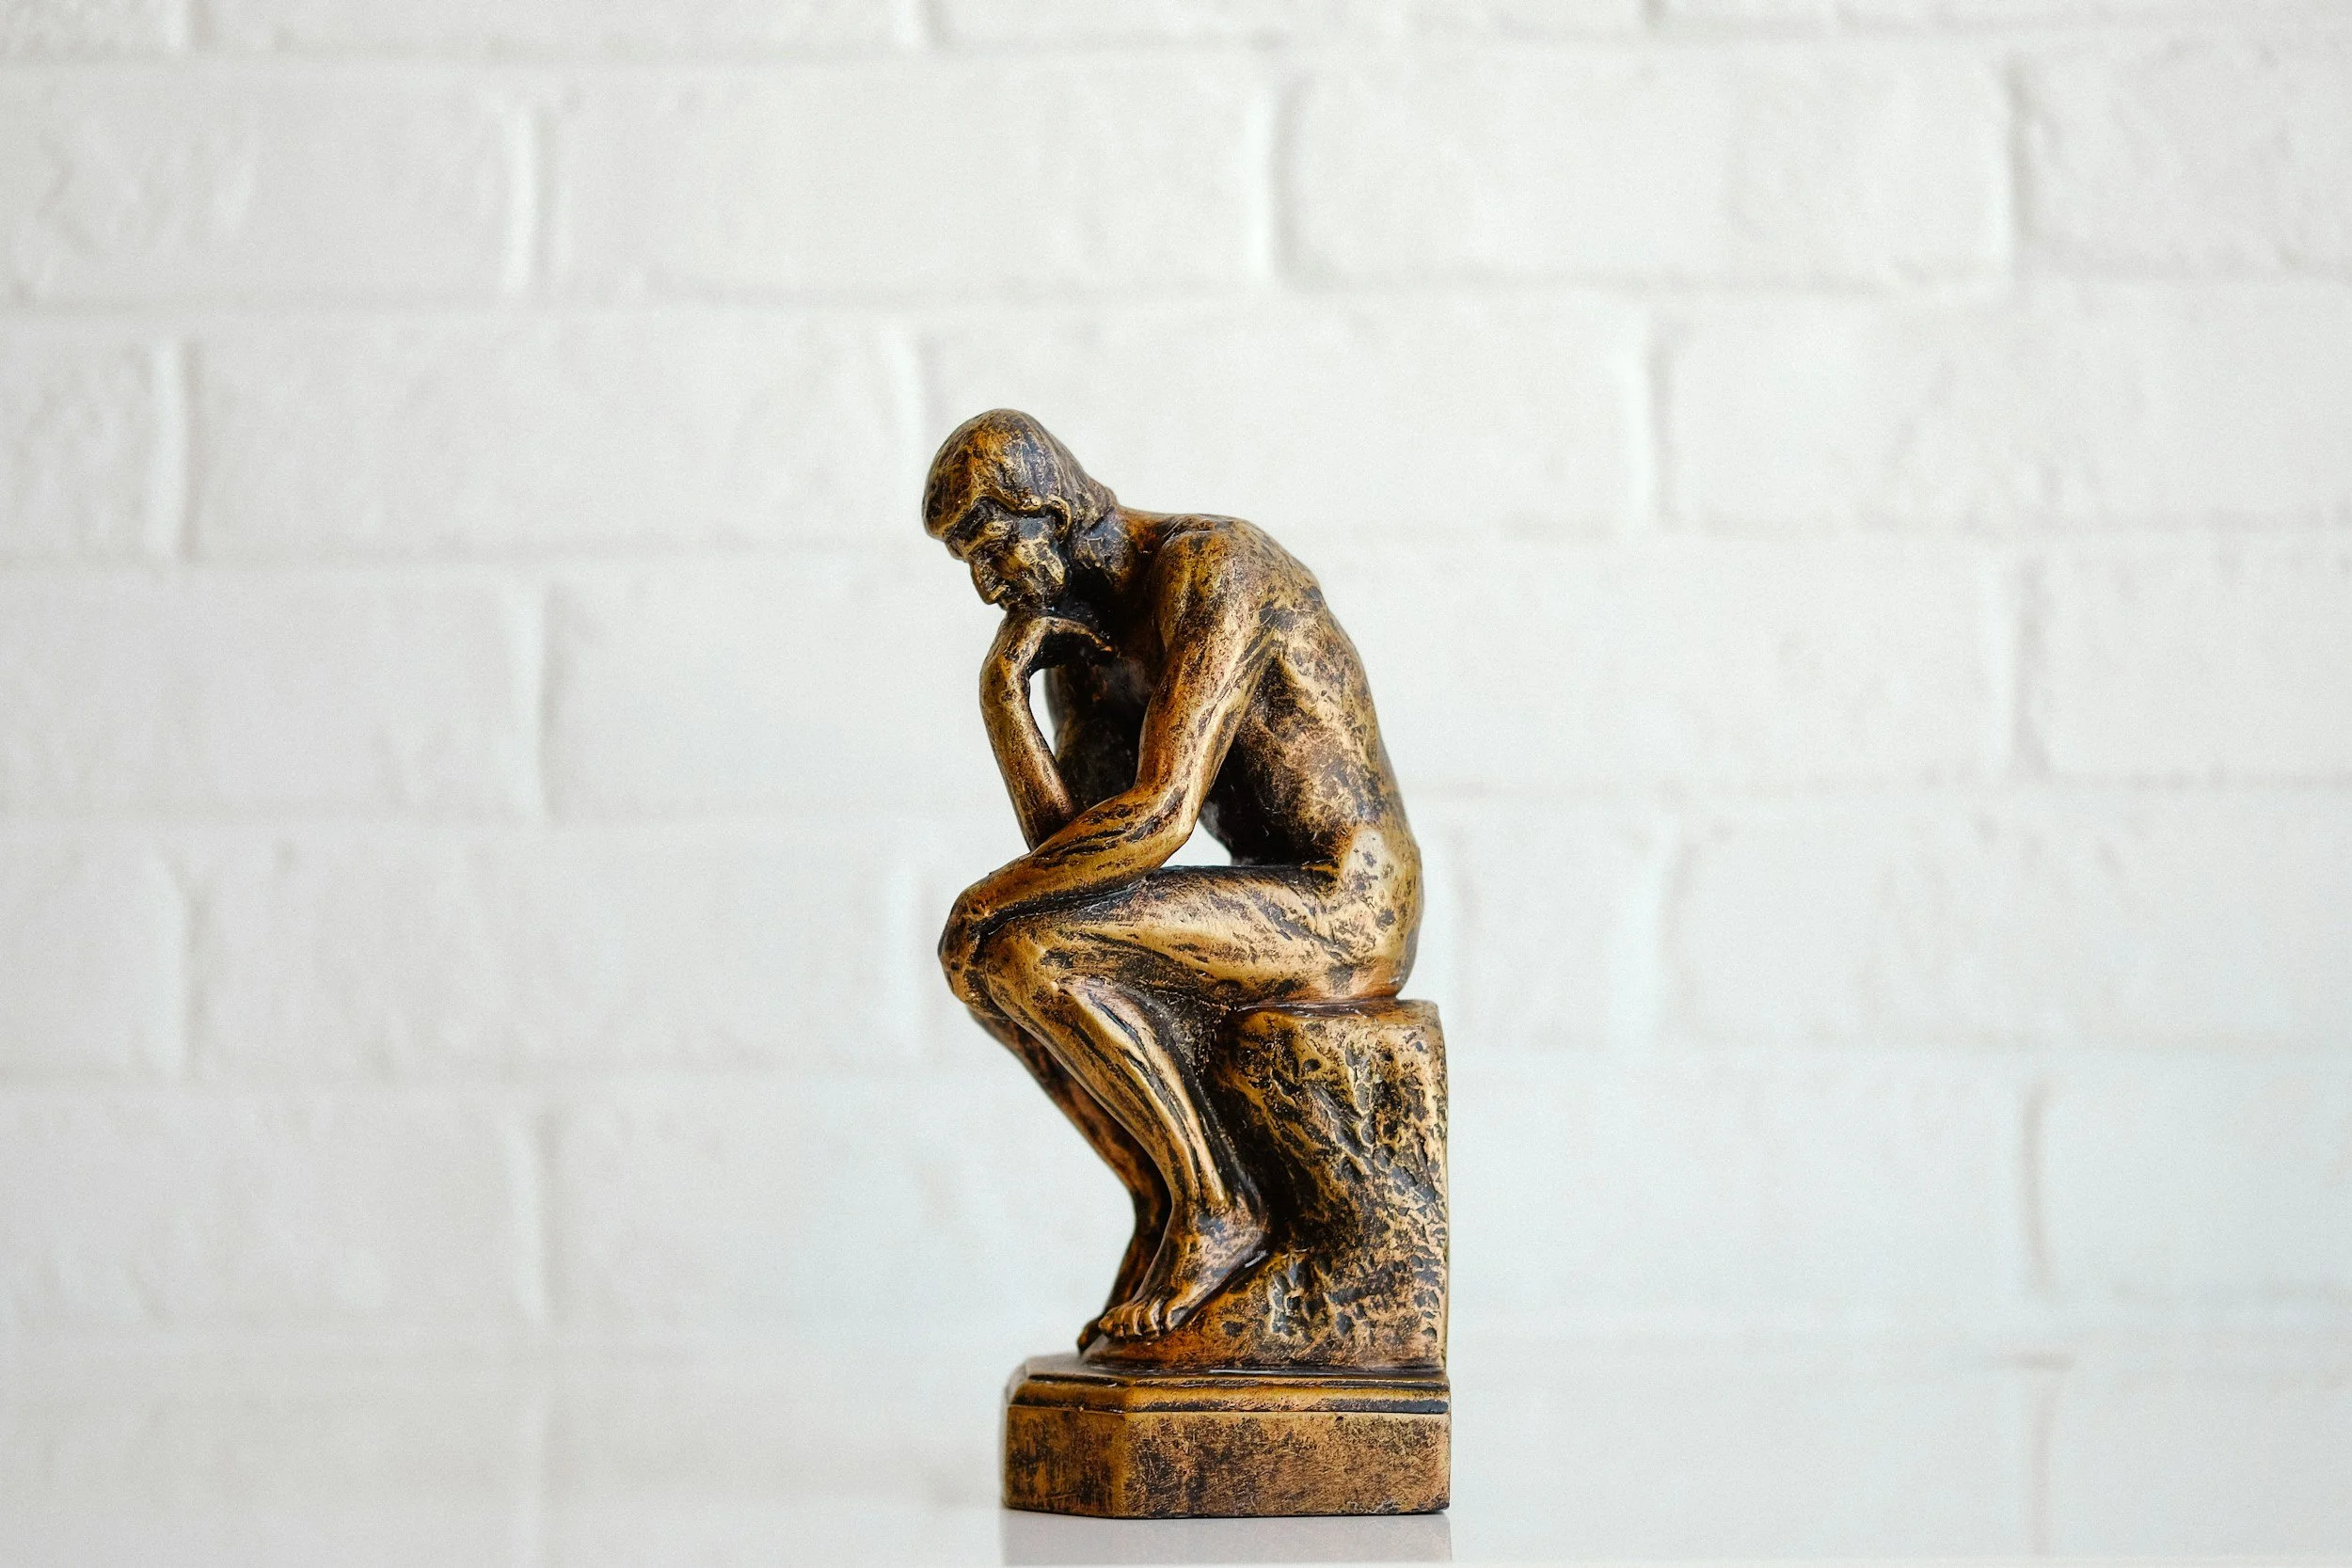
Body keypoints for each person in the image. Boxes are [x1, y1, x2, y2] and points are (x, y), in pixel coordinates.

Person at [930, 409, 1423, 1345]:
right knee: (986, 960)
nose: (987, 581)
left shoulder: (1210, 566)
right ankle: (1165, 1197)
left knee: (1025, 941)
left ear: (1047, 507)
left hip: (1347, 901)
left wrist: (990, 895)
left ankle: (1216, 1203)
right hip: (1271, 897)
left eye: (991, 545)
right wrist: (1006, 702)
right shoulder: (1082, 646)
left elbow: (1157, 817)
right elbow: (1072, 852)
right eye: (968, 562)